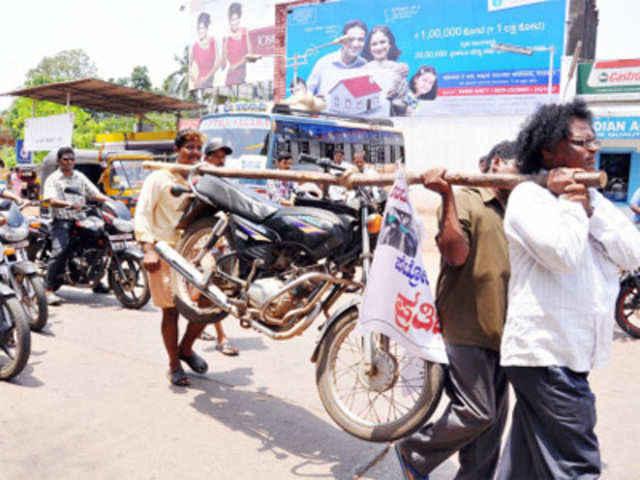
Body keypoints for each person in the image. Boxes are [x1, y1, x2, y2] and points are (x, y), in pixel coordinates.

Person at [495, 100, 640, 479]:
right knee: (578, 467)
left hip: (569, 354)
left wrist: (589, 203)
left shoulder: (595, 199)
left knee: (524, 464)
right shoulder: (529, 199)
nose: (593, 150)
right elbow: (563, 254)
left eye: (594, 141)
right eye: (582, 142)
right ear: (548, 148)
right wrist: (573, 203)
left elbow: (634, 252)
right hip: (546, 354)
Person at [394, 141, 518, 480]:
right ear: (496, 163)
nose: (522, 176)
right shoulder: (466, 199)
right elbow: (454, 254)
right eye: (518, 166)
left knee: (490, 429)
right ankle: (414, 451)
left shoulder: (517, 209)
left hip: (503, 333)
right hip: (464, 328)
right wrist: (446, 196)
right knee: (477, 413)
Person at [134, 130, 210, 387]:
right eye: (189, 147)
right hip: (164, 252)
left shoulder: (199, 180)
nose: (194, 153)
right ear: (177, 150)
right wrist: (148, 249)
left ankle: (186, 348)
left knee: (209, 305)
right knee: (171, 312)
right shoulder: (158, 178)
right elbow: (142, 213)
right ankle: (174, 364)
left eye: (198, 148)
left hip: (194, 254)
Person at [42, 147, 110, 306]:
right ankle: (48, 290)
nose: (69, 162)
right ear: (59, 161)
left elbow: (94, 193)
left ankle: (96, 280)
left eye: (72, 159)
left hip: (81, 218)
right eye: (66, 159)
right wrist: (69, 204)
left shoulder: (79, 176)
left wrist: (110, 201)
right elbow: (50, 200)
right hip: (61, 220)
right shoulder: (53, 179)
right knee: (61, 250)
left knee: (98, 241)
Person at [195, 140, 239, 356]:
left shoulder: (223, 179)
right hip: (203, 240)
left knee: (213, 286)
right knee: (211, 286)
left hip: (221, 240)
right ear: (207, 157)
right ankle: (222, 337)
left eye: (223, 157)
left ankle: (201, 326)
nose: (221, 160)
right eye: (217, 156)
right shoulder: (202, 179)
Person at [306, 20, 368, 101]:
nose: (355, 44)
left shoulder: (365, 65)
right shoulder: (324, 63)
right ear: (342, 40)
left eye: (360, 40)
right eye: (351, 39)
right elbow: (307, 93)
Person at [361, 25, 409, 116]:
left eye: (382, 42)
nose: (379, 47)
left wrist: (394, 100)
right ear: (369, 47)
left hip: (393, 121)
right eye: (374, 44)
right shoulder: (363, 70)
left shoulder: (399, 69)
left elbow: (404, 102)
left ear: (389, 44)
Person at [221, 2, 252, 86]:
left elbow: (250, 56)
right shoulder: (226, 38)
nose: (234, 22)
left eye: (236, 19)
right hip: (230, 80)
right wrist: (225, 42)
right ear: (229, 20)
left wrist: (235, 66)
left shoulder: (245, 32)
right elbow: (223, 66)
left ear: (239, 18)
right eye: (232, 19)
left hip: (242, 78)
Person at [190, 12, 219, 89]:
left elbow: (217, 64)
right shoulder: (195, 47)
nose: (200, 31)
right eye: (199, 28)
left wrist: (206, 78)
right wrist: (194, 80)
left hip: (210, 83)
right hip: (199, 85)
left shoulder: (213, 41)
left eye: (202, 28)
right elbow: (188, 67)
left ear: (207, 28)